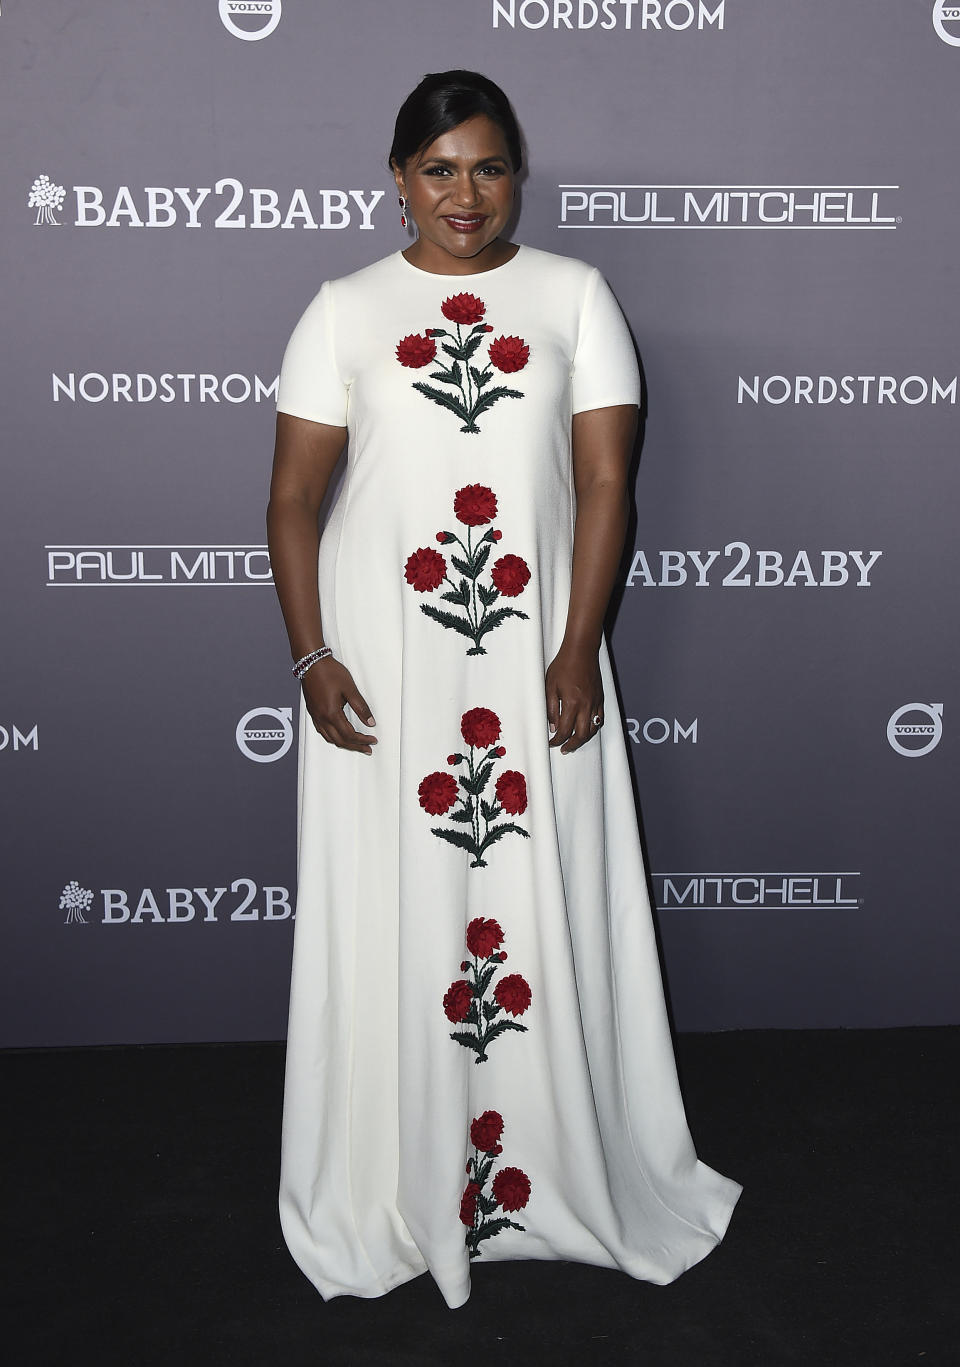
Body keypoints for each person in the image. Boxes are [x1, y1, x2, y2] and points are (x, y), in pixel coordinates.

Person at [267, 69, 741, 1310]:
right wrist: (314, 654)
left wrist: (578, 645)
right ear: (397, 177)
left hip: (537, 652)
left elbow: (601, 488)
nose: (463, 194)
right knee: (400, 902)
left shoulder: (576, 295)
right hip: (385, 660)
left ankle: (554, 1172)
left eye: (487, 166)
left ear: (515, 172)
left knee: (544, 891)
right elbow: (295, 500)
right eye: (438, 168)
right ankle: (400, 1175)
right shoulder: (342, 309)